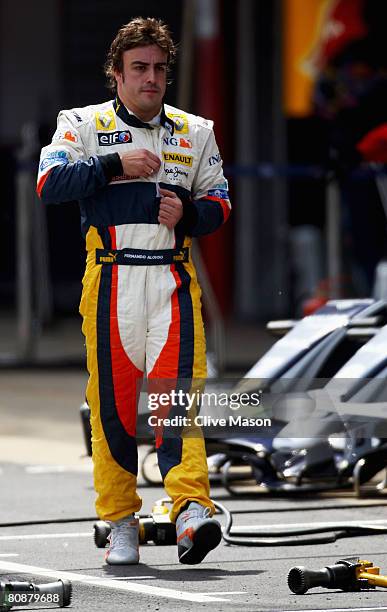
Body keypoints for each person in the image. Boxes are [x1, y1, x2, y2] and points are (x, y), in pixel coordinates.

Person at [37, 17, 231, 566]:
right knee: (113, 408)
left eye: (160, 70)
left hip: (172, 279)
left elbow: (220, 202)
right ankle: (120, 518)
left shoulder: (196, 131)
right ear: (116, 74)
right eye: (139, 68)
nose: (151, 79)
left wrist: (191, 212)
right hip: (111, 278)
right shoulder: (80, 124)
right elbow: (49, 185)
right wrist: (111, 164)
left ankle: (191, 508)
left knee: (178, 400)